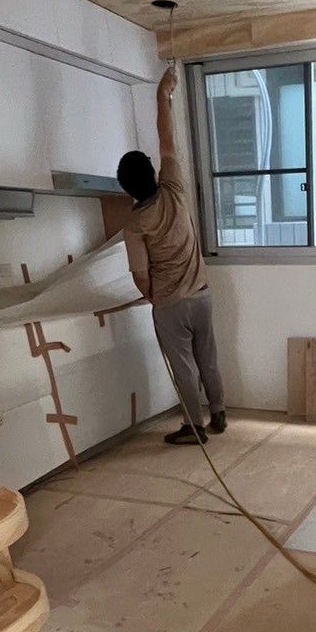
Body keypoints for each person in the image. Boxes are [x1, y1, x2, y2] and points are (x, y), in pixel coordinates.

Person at [117, 66, 226, 445]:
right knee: (208, 358)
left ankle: (194, 428)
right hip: (202, 296)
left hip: (171, 304)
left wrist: (153, 297)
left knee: (184, 367)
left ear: (126, 188)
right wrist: (163, 93)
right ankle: (219, 414)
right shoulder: (174, 186)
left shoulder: (134, 224)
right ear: (153, 171)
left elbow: (140, 274)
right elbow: (166, 138)